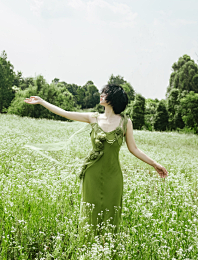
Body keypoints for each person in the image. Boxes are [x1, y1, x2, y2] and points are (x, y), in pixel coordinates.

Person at [24, 84, 168, 236]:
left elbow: (134, 149)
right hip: (92, 174)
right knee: (90, 211)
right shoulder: (93, 118)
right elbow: (65, 113)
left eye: (105, 93)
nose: (101, 95)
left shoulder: (125, 122)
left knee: (111, 212)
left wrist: (154, 164)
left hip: (114, 176)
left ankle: (107, 248)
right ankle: (88, 245)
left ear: (113, 98)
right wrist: (42, 101)